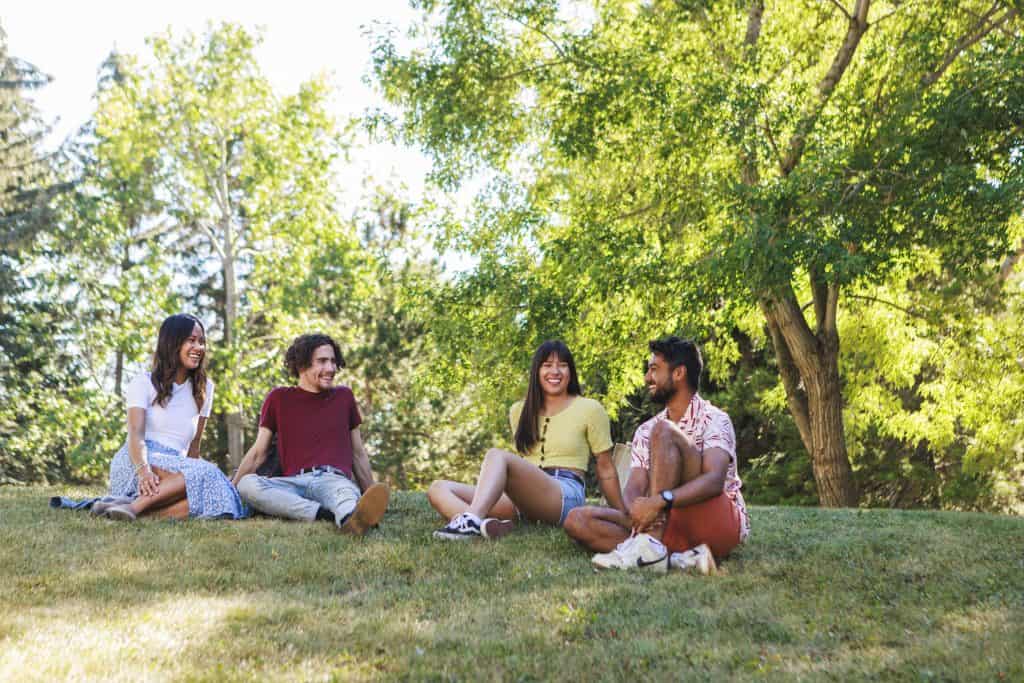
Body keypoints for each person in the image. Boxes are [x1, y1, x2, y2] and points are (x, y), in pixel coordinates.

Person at [563, 336, 750, 573]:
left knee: (664, 432)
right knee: (576, 520)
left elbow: (714, 481)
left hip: (715, 521)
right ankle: (677, 559)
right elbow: (635, 485)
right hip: (669, 524)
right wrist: (637, 512)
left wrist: (659, 502)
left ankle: (649, 544)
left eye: (654, 369)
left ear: (679, 373)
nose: (647, 378)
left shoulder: (715, 419)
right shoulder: (645, 430)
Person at [428, 340, 624, 540]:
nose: (555, 371)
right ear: (537, 372)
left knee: (497, 455)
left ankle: (471, 521)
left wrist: (622, 514)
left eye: (562, 365)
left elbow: (605, 467)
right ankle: (483, 525)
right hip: (523, 498)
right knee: (438, 488)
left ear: (571, 372)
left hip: (564, 496)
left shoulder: (590, 409)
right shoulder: (518, 411)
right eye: (547, 365)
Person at [96, 314, 248, 521]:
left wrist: (206, 480)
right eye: (191, 340)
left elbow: (194, 448)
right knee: (208, 472)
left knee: (220, 497)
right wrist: (144, 471)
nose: (199, 347)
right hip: (138, 462)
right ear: (172, 343)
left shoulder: (205, 389)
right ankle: (134, 507)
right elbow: (135, 435)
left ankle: (127, 509)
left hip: (176, 468)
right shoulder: (143, 382)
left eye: (202, 342)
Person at [232, 333, 388, 535]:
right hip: (293, 483)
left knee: (346, 496)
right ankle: (324, 514)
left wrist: (371, 494)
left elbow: (358, 453)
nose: (331, 368)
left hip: (334, 480)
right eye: (322, 361)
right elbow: (258, 453)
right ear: (302, 365)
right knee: (248, 485)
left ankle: (352, 518)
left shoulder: (344, 397)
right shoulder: (278, 399)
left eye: (333, 361)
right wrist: (231, 490)